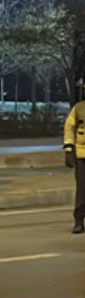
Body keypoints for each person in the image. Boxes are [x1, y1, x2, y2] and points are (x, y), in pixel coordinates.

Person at [64, 98, 85, 234]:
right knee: (82, 189)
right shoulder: (78, 108)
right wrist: (68, 149)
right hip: (82, 155)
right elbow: (69, 127)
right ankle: (79, 220)